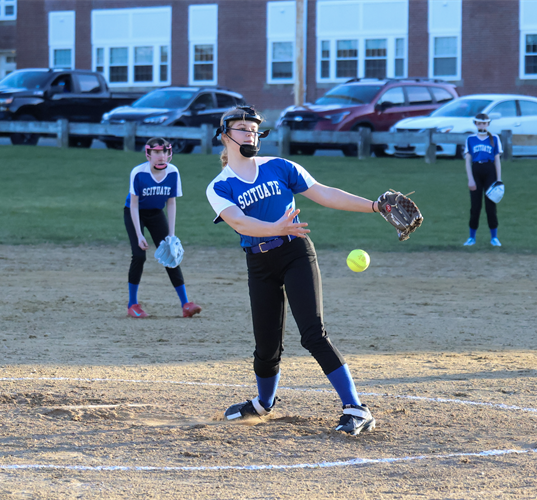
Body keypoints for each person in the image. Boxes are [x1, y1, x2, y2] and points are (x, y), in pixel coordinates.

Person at [205, 106, 380, 435]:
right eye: (242, 128)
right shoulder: (219, 186)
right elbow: (240, 222)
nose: (250, 133)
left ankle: (357, 409)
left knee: (313, 333)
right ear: (224, 135)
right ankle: (263, 404)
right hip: (258, 261)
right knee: (266, 344)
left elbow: (325, 193)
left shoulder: (280, 167)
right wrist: (273, 226)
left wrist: (374, 205)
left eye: (254, 129)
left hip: (295, 251)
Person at [124, 137, 202, 318]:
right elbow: (133, 205)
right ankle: (132, 305)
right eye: (156, 152)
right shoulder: (138, 173)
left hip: (156, 213)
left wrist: (171, 236)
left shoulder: (173, 172)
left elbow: (171, 203)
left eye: (164, 152)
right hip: (135, 213)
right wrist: (139, 234)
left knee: (170, 254)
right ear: (148, 154)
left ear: (169, 154)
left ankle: (186, 304)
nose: (161, 156)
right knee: (139, 255)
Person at [463, 113, 503, 247]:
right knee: (475, 206)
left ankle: (494, 238)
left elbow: (497, 160)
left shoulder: (495, 138)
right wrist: (470, 179)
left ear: (488, 124)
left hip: (489, 170)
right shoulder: (470, 139)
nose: (482, 125)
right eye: (479, 123)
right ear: (475, 124)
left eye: (484, 123)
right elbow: (468, 160)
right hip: (476, 171)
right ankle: (471, 238)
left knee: (491, 206)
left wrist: (498, 179)